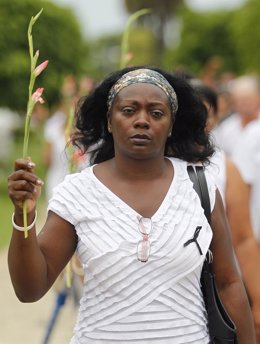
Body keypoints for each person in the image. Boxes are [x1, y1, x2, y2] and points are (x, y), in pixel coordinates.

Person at [7, 66, 255, 343]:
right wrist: (23, 217)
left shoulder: (199, 186)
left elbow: (229, 283)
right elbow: (29, 290)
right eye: (128, 110)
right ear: (110, 121)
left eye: (156, 113)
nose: (142, 120)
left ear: (171, 125)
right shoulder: (79, 192)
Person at [191, 80, 260, 341]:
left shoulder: (222, 167)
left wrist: (257, 306)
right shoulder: (146, 165)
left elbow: (242, 238)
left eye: (203, 114)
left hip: (217, 289)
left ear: (215, 117)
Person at [213, 74, 260, 156]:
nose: (244, 104)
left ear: (258, 98)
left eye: (247, 99)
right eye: (240, 100)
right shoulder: (226, 128)